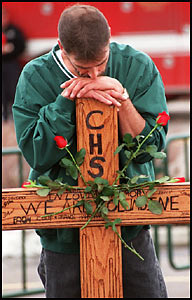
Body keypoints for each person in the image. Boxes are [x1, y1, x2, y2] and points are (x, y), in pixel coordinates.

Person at [13, 4, 169, 298]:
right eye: (82, 69)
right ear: (61, 47)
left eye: (102, 63)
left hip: (129, 229)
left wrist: (122, 99)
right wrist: (65, 103)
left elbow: (152, 147)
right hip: (63, 233)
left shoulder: (137, 65)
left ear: (110, 37)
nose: (95, 75)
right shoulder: (34, 77)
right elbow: (38, 155)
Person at [2, 5, 26, 121]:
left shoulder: (14, 30)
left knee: (13, 88)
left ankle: (14, 114)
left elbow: (21, 46)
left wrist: (10, 49)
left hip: (11, 64)